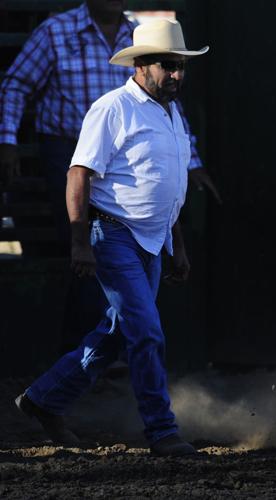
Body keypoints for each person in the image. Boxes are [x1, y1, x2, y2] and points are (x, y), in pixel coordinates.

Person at [14, 19, 208, 457]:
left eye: (181, 66)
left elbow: (168, 183)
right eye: (167, 66)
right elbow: (78, 173)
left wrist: (176, 242)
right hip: (113, 232)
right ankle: (161, 430)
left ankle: (44, 399)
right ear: (141, 65)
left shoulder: (171, 112)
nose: (176, 75)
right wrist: (80, 240)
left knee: (118, 331)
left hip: (152, 238)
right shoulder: (113, 108)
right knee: (146, 332)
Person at [0, 0, 220, 351]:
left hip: (125, 160)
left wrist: (190, 161)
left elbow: (161, 109)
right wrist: (7, 140)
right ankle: (88, 349)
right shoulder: (56, 32)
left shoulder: (139, 34)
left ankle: (95, 352)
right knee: (86, 249)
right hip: (69, 150)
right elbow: (17, 85)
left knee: (106, 257)